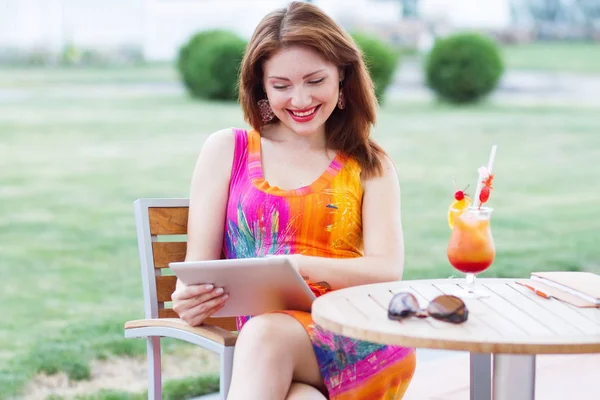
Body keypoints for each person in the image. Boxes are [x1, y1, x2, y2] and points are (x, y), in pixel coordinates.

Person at [171, 2, 416, 399]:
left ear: (343, 77)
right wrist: (190, 300)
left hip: (357, 337)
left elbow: (387, 269)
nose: (299, 100)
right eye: (281, 85)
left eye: (314, 80)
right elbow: (197, 272)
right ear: (262, 88)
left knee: (267, 334)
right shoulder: (226, 150)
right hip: (270, 348)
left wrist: (294, 266)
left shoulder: (369, 164)